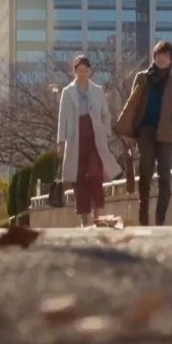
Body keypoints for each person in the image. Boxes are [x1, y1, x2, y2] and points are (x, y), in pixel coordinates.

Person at [116, 41, 172, 226]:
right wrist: (129, 132)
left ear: (171, 59)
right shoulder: (142, 77)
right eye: (159, 55)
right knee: (146, 172)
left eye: (166, 55)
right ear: (154, 57)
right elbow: (132, 105)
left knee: (164, 177)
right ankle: (143, 217)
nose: (162, 59)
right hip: (145, 130)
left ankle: (160, 219)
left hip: (166, 134)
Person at [56, 55, 122, 227]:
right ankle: (84, 216)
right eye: (80, 70)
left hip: (94, 137)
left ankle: (98, 213)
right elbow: (62, 118)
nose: (83, 73)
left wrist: (105, 131)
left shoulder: (97, 90)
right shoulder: (68, 92)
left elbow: (106, 114)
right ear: (75, 71)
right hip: (75, 138)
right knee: (78, 176)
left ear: (89, 71)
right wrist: (61, 140)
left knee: (95, 173)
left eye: (85, 70)